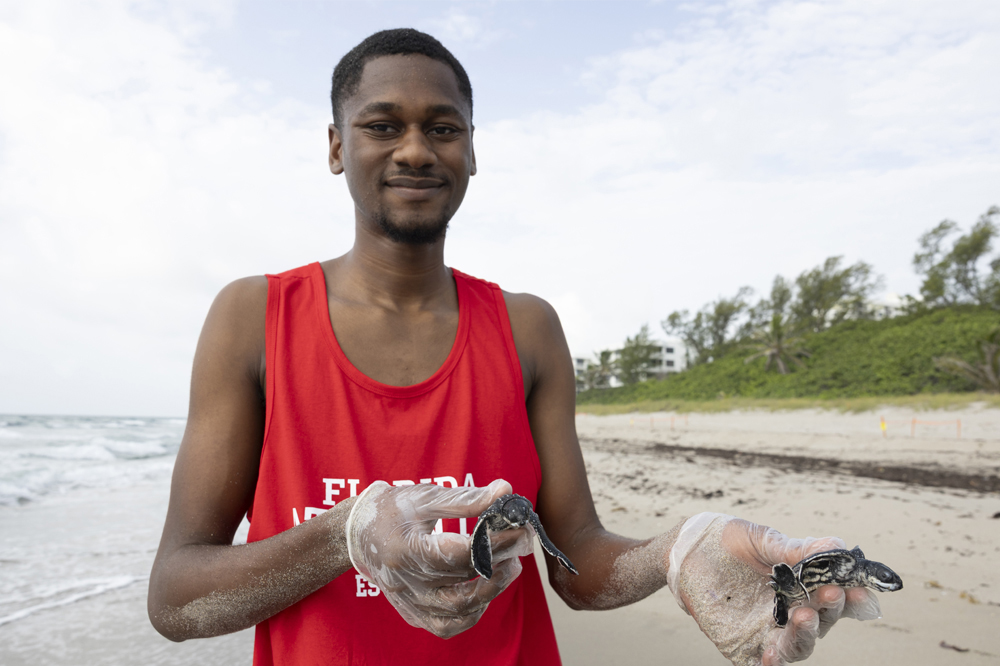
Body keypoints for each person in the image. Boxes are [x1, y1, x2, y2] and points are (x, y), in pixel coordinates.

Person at [148, 28, 882, 666]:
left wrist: (678, 551)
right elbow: (175, 599)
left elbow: (576, 564)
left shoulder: (526, 329)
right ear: (337, 146)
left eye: (443, 127)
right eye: (381, 125)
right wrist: (347, 534)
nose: (414, 149)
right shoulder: (255, 317)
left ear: (471, 151)